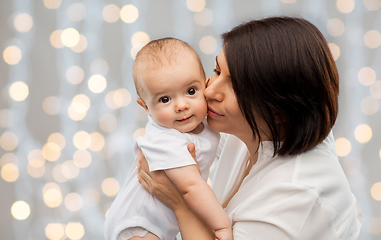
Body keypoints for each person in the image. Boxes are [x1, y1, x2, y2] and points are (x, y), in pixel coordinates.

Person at [136, 17, 363, 239]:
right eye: (216, 71)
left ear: (278, 110)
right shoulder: (255, 129)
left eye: (235, 86)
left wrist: (180, 204)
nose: (209, 91)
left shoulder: (295, 194)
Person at [104, 38, 233, 240]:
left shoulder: (208, 121)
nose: (181, 105)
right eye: (165, 99)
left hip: (162, 223)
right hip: (139, 225)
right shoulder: (165, 140)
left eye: (191, 91)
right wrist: (222, 226)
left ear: (205, 84)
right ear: (145, 106)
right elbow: (191, 187)